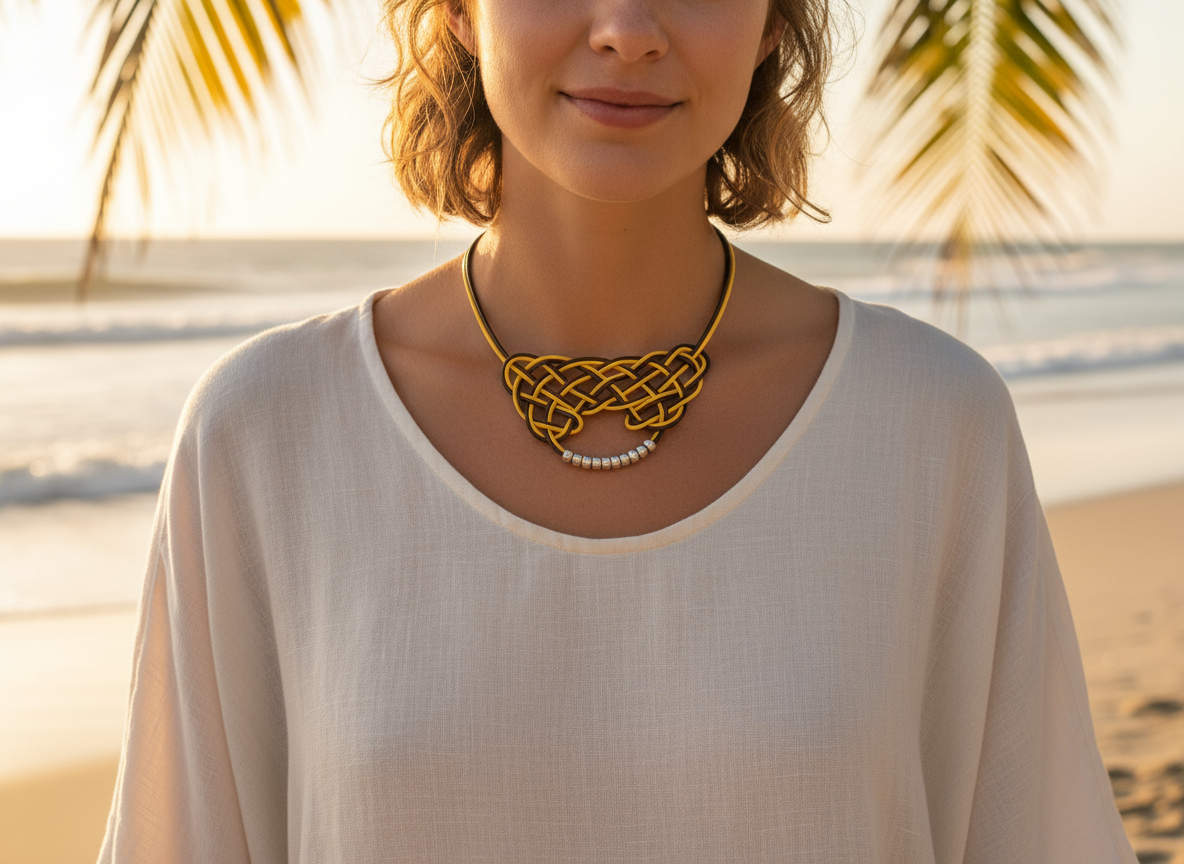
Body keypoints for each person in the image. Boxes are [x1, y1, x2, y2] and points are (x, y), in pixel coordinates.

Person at [97, 0, 1136, 861]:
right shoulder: (269, 433)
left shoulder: (929, 424)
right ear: (458, 12)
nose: (629, 30)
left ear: (773, 22)